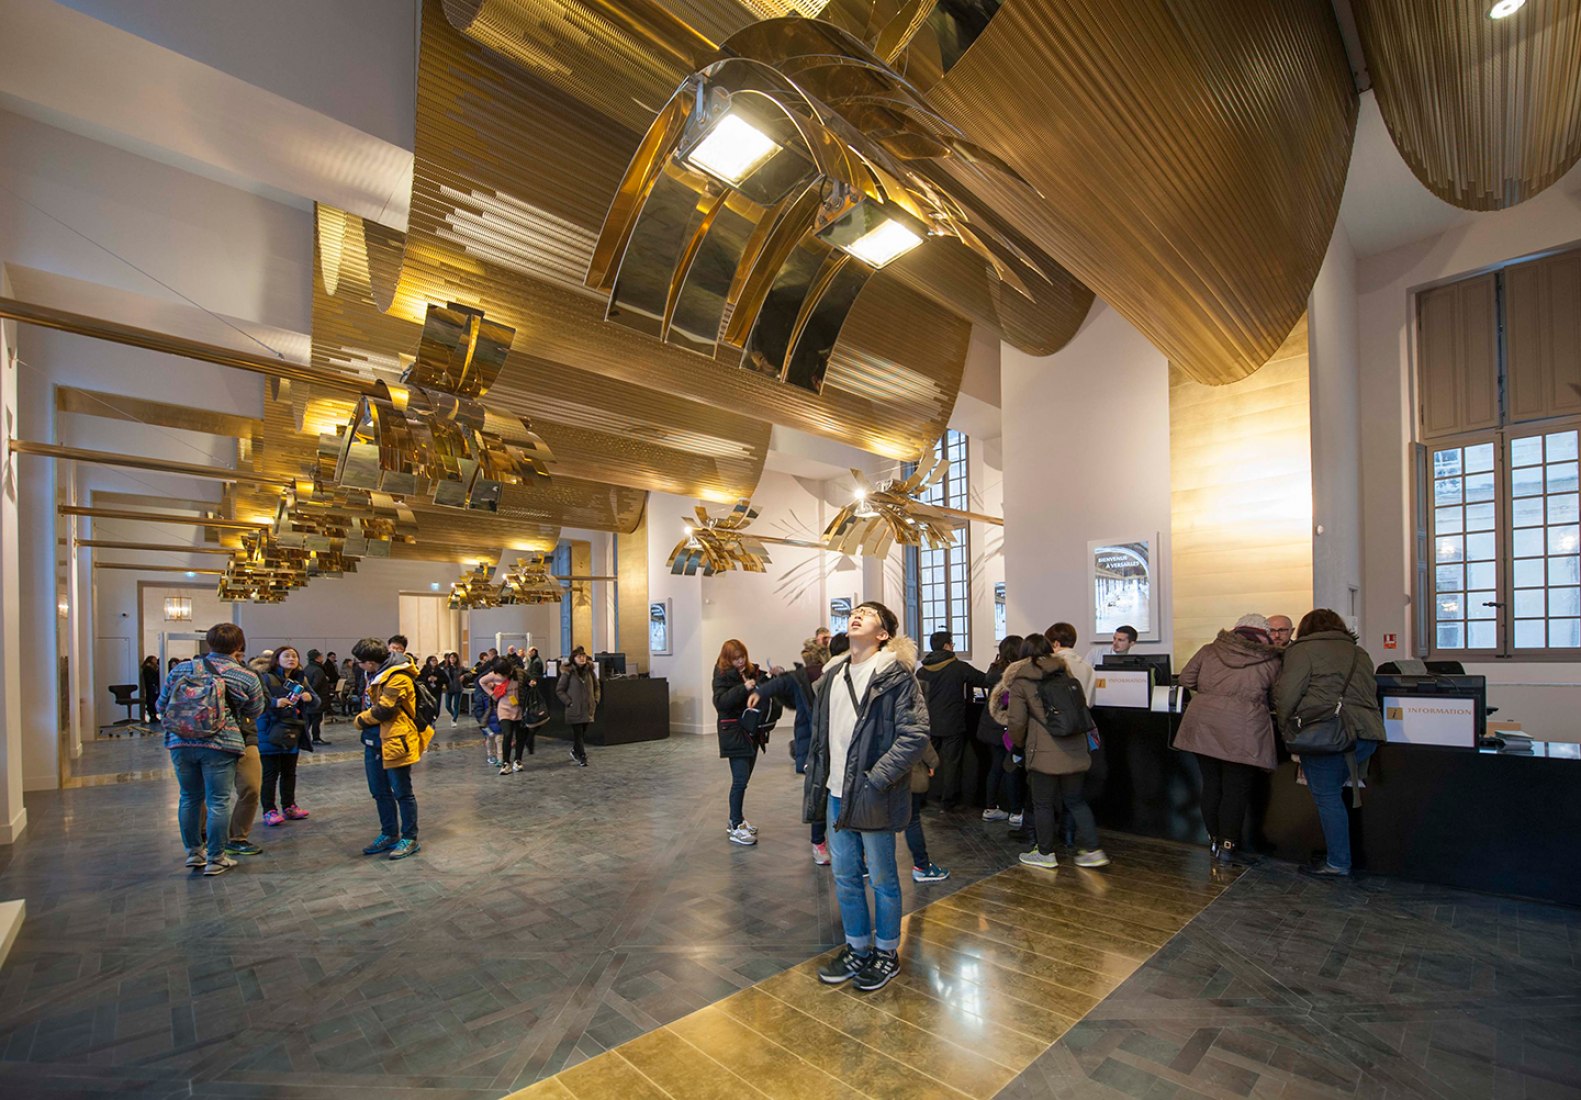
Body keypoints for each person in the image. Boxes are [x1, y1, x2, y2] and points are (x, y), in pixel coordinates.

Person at [797, 601, 928, 993]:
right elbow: (824, 732)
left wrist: (877, 778)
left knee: (884, 878)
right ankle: (857, 947)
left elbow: (916, 733)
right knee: (846, 877)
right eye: (855, 611)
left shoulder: (894, 675)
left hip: (873, 790)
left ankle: (886, 953)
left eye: (868, 614)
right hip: (836, 791)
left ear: (883, 634)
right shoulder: (833, 674)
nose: (857, 615)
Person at [1273, 609, 1385, 879]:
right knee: (1338, 795)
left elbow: (1287, 694)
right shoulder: (1360, 653)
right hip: (1366, 734)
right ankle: (1339, 853)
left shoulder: (1301, 651)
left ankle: (1338, 862)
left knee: (1327, 798)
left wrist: (1287, 729)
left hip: (1327, 735)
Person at [1175, 613, 1282, 866]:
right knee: (1236, 790)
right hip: (1244, 729)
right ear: (1264, 634)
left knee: (1211, 784)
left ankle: (1213, 839)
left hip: (1204, 725)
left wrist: (1213, 695)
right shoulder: (1270, 659)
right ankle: (1228, 845)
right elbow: (1279, 697)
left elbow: (1185, 679)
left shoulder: (1210, 649)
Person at [159, 623, 265, 876]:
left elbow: (162, 703)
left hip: (180, 741)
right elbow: (255, 711)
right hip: (221, 743)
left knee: (189, 797)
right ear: (239, 646)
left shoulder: (181, 669)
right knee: (218, 800)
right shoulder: (244, 675)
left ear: (209, 643)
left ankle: (194, 853)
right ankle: (217, 857)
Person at [1003, 632, 1109, 869]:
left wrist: (1018, 744)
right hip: (1075, 747)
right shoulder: (1065, 672)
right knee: (1075, 800)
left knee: (1042, 803)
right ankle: (1093, 849)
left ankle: (1045, 853)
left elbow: (1017, 722)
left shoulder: (1022, 680)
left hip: (1043, 752)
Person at [353, 636, 433, 860]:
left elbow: (384, 710)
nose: (358, 666)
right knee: (379, 792)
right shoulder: (375, 674)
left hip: (396, 741)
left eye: (360, 661)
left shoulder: (398, 676)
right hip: (374, 740)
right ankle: (389, 833)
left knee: (402, 792)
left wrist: (359, 720)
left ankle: (410, 837)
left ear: (369, 662)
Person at [916, 630, 992, 810]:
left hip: (928, 723)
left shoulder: (921, 671)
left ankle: (924, 796)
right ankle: (948, 801)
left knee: (927, 760)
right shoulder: (958, 667)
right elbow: (984, 680)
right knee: (951, 763)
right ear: (946, 646)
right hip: (952, 723)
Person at [713, 639, 765, 845]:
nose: (741, 661)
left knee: (744, 779)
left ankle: (737, 819)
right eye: (736, 659)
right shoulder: (721, 675)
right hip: (733, 733)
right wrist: (743, 688)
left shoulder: (751, 671)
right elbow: (720, 702)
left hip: (750, 731)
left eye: (742, 656)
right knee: (740, 780)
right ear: (728, 659)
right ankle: (735, 824)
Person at [257, 646, 315, 826]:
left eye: (295, 656)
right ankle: (269, 810)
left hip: (292, 732)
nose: (291, 659)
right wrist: (275, 702)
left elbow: (317, 700)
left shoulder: (300, 679)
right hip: (270, 732)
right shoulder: (266, 678)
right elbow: (257, 701)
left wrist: (309, 697)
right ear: (277, 659)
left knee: (289, 772)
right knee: (270, 774)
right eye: (287, 656)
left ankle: (289, 806)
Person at [977, 635, 1023, 823]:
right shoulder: (1015, 673)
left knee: (996, 767)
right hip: (1007, 726)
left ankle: (990, 807)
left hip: (990, 725)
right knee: (1011, 768)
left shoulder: (993, 669)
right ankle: (1016, 812)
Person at [556, 647, 599, 766]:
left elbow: (596, 686)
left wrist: (595, 699)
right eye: (579, 656)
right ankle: (582, 756)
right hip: (574, 708)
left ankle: (576, 750)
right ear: (573, 659)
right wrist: (569, 702)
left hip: (588, 707)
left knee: (582, 732)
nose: (582, 659)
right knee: (578, 733)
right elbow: (560, 690)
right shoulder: (568, 672)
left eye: (584, 656)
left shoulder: (590, 672)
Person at [303, 648, 331, 745]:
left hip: (308, 700)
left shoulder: (306, 668)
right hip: (317, 699)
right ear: (317, 658)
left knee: (308, 720)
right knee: (316, 719)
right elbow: (316, 684)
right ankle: (316, 738)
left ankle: (305, 738)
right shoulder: (318, 670)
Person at [442, 651, 466, 726]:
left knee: (456, 705)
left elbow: (469, 673)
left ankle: (454, 719)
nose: (452, 659)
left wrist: (464, 676)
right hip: (449, 688)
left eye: (454, 657)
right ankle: (454, 715)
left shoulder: (460, 668)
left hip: (457, 688)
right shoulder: (445, 668)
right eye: (451, 657)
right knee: (447, 705)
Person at [140, 655, 161, 723]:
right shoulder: (148, 668)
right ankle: (152, 715)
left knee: (153, 700)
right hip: (151, 686)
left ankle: (153, 715)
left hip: (152, 686)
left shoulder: (153, 668)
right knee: (151, 700)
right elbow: (150, 678)